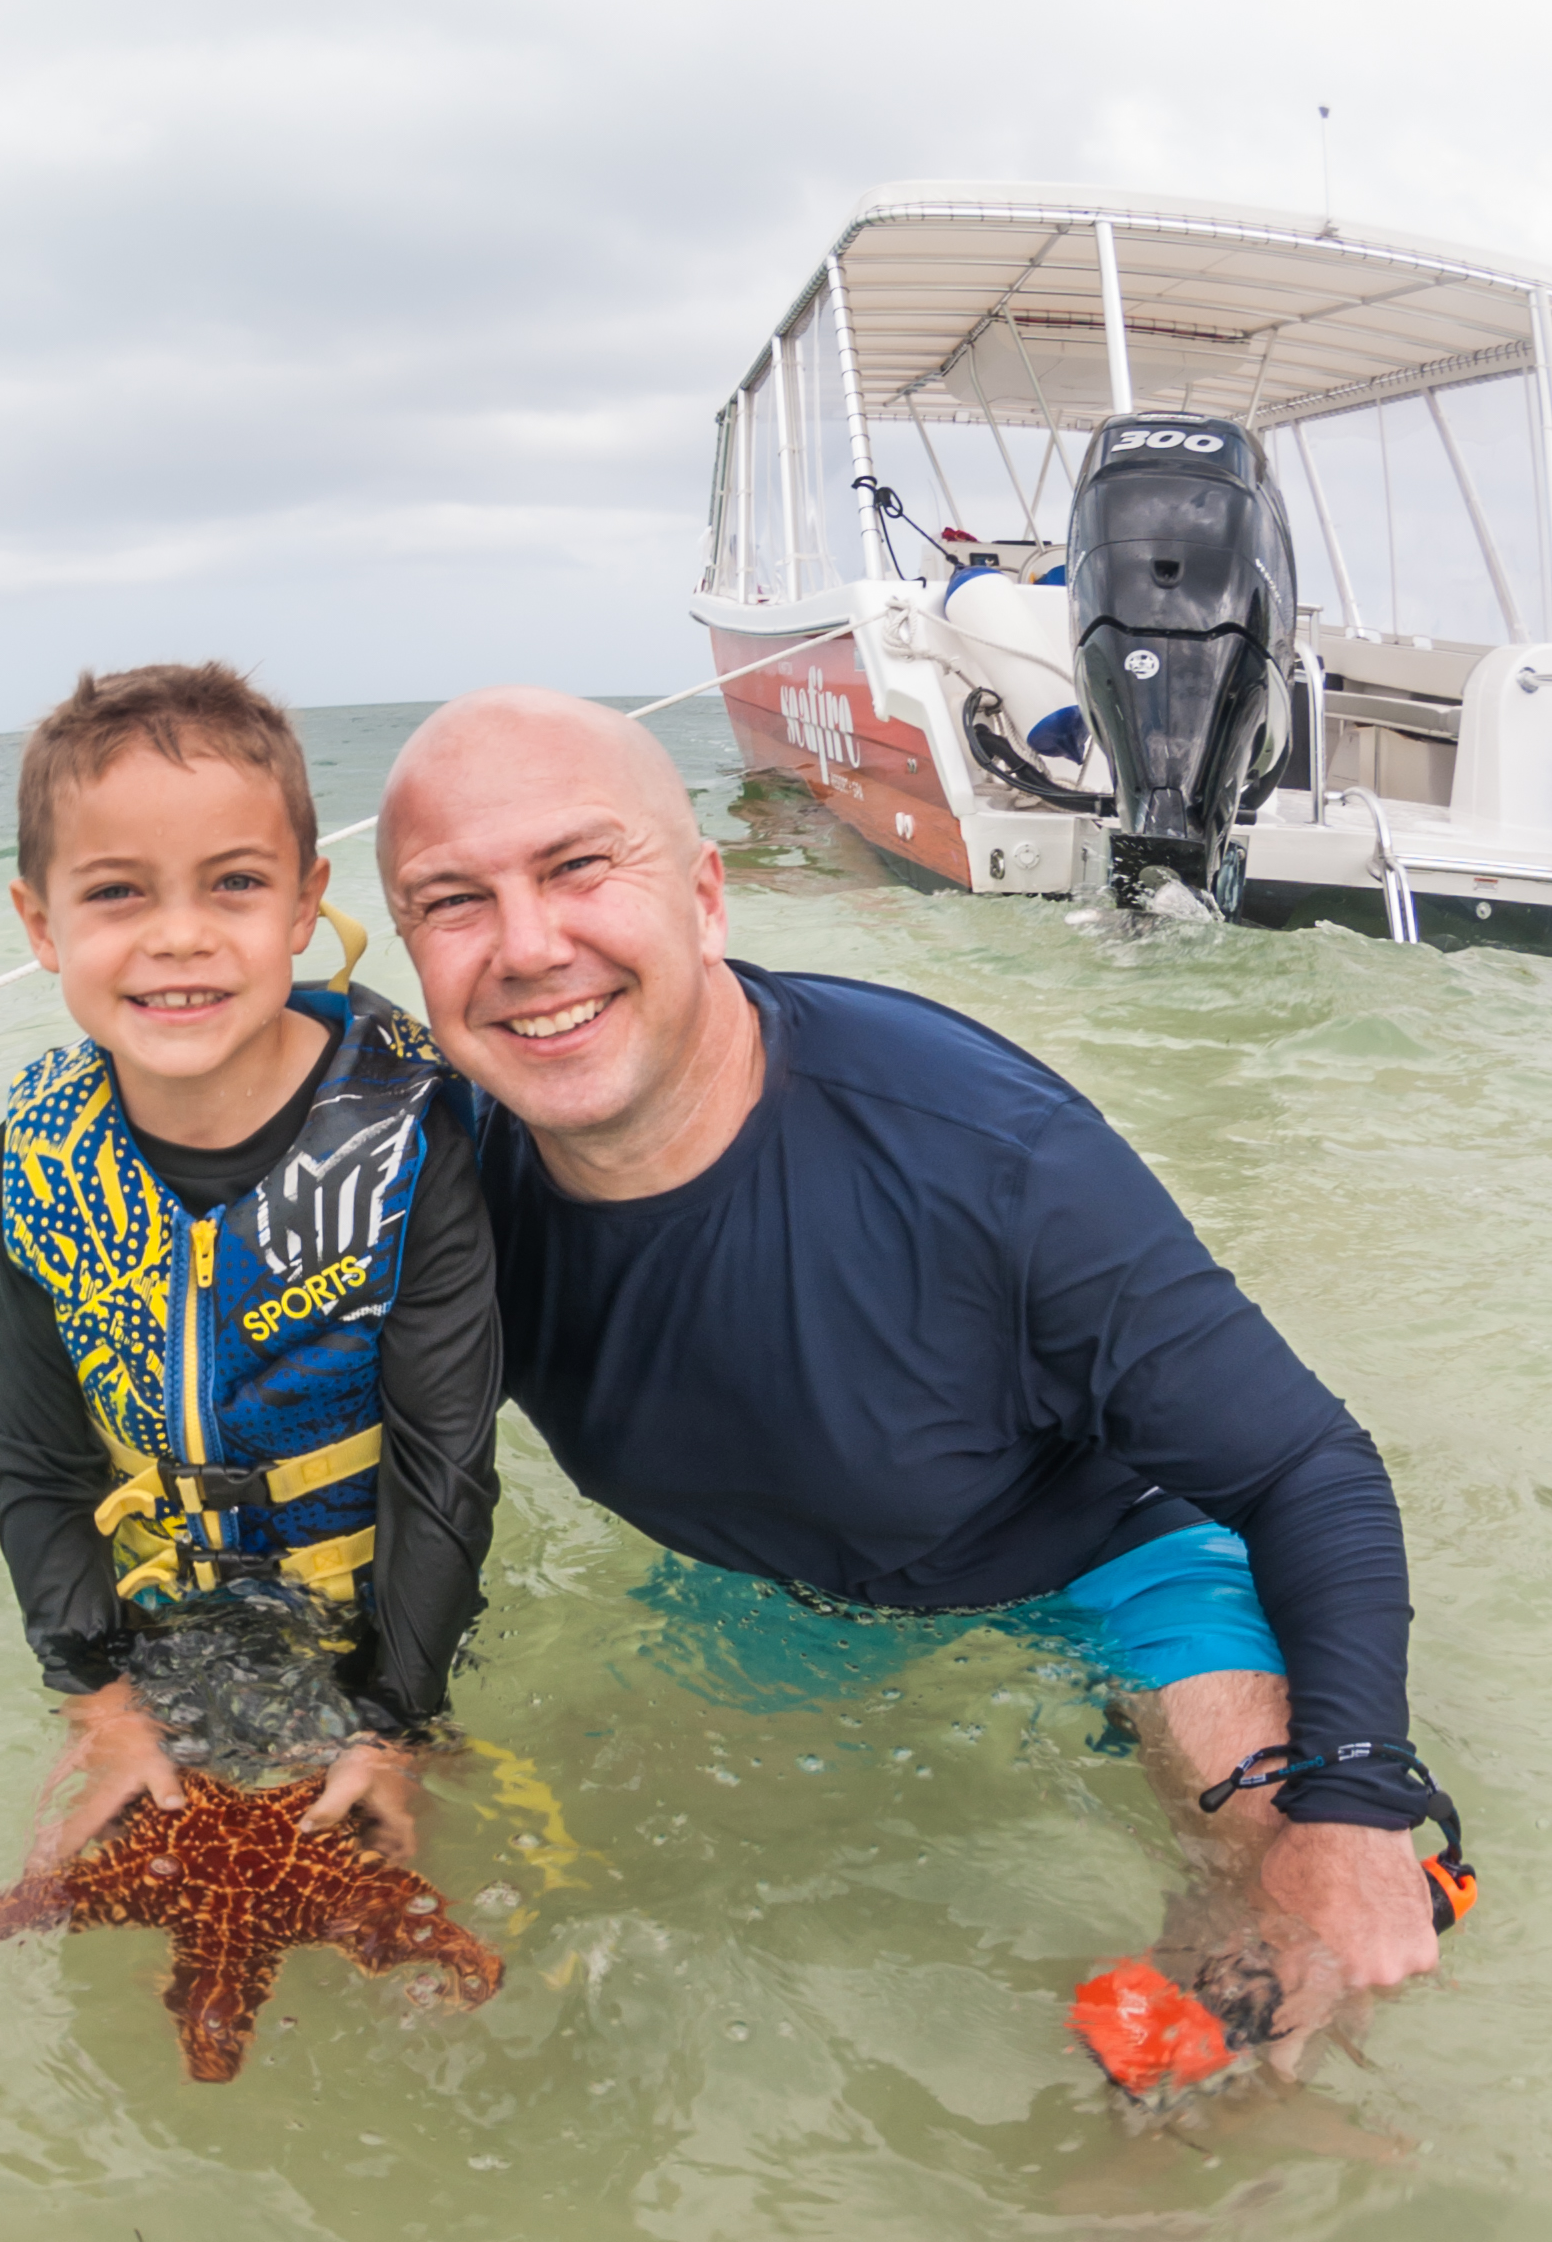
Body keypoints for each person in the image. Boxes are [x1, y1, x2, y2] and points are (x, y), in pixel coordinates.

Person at [357, 684, 1439, 2002]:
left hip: (1111, 1554)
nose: (527, 946)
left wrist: (1362, 1800)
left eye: (579, 865)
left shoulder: (983, 1154)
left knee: (1291, 1921)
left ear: (705, 894)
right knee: (516, 1910)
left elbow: (1306, 1465)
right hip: (782, 1591)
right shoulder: (431, 1187)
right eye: (451, 899)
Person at [0, 662, 499, 1866]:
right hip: (156, 1627)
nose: (179, 937)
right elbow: (35, 1455)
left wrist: (397, 1726)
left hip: (381, 1625)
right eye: (115, 892)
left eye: (236, 884)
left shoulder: (414, 1141)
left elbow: (443, 1463)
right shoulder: (31, 1161)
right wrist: (95, 1700)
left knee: (411, 1922)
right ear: (41, 924)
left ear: (307, 902)